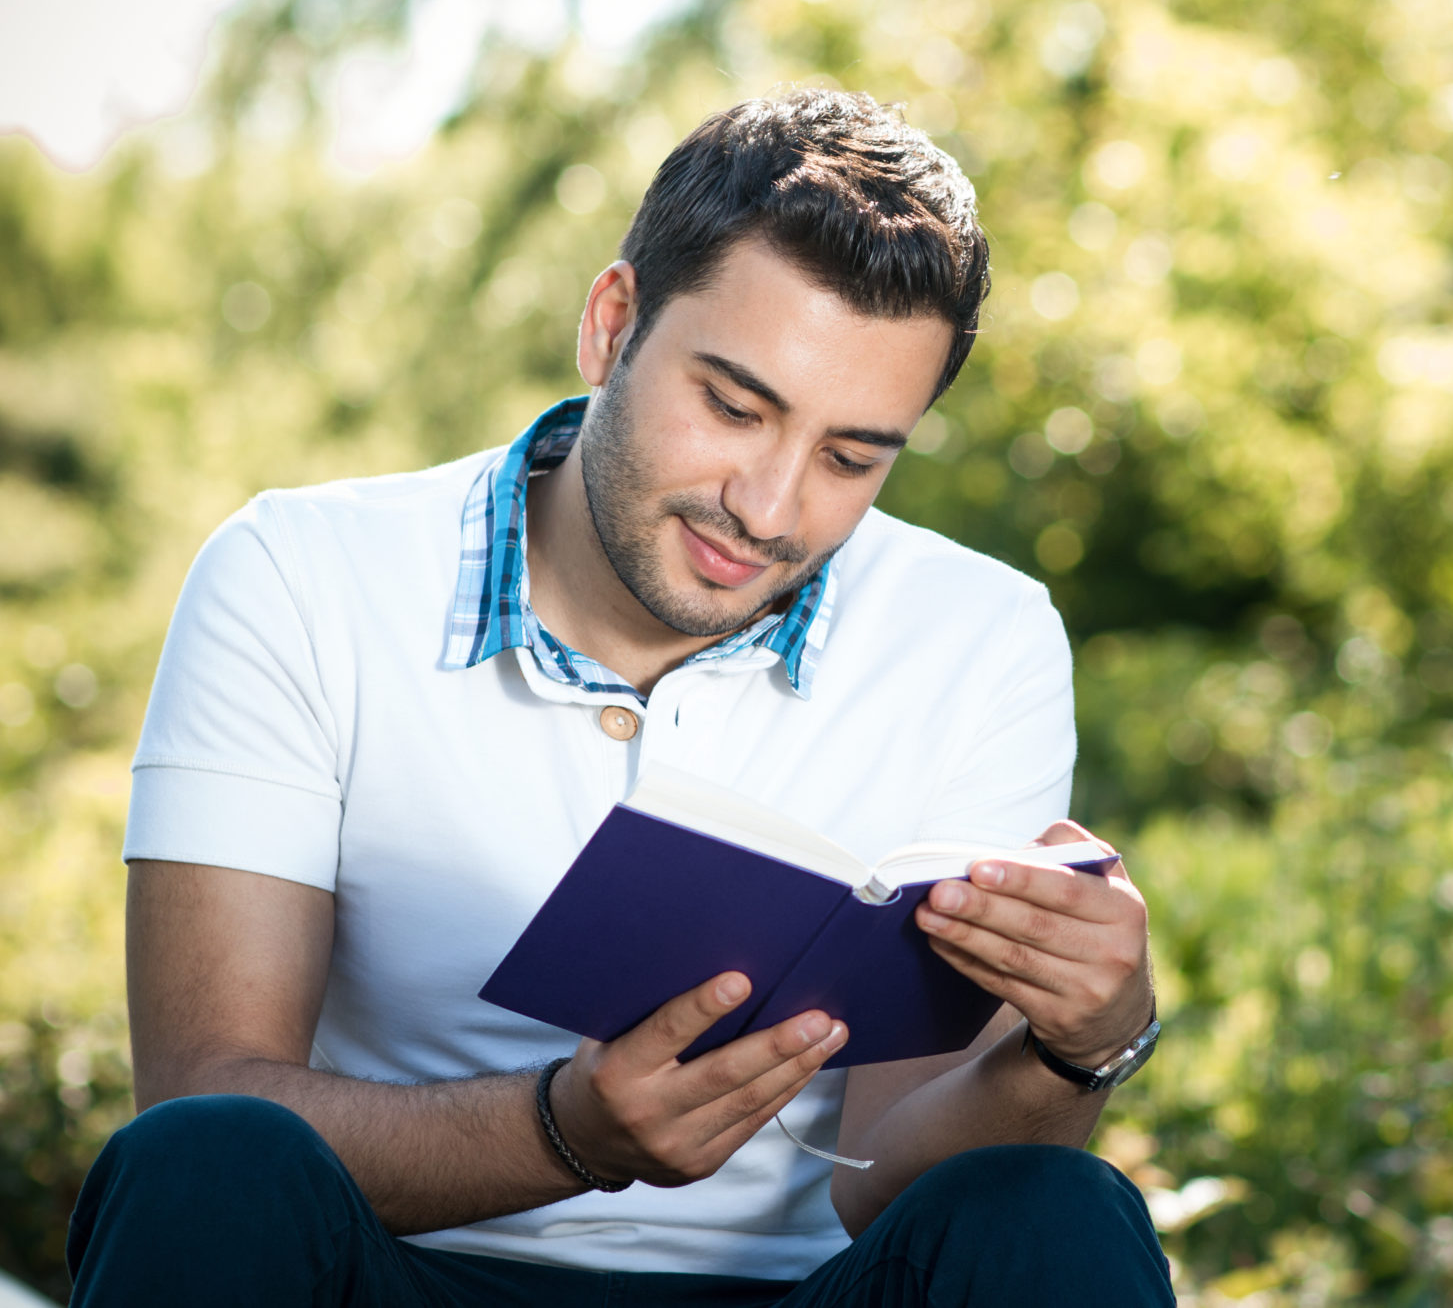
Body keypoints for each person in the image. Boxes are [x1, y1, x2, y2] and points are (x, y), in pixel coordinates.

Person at [67, 89, 1172, 1306]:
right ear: (611, 326)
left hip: (796, 1294)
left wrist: (1078, 1050)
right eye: (733, 407)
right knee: (206, 1163)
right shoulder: (300, 574)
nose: (768, 507)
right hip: (396, 1271)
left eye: (850, 458)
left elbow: (883, 1175)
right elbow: (206, 1089)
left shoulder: (983, 636)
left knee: (1058, 1210)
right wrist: (563, 1134)